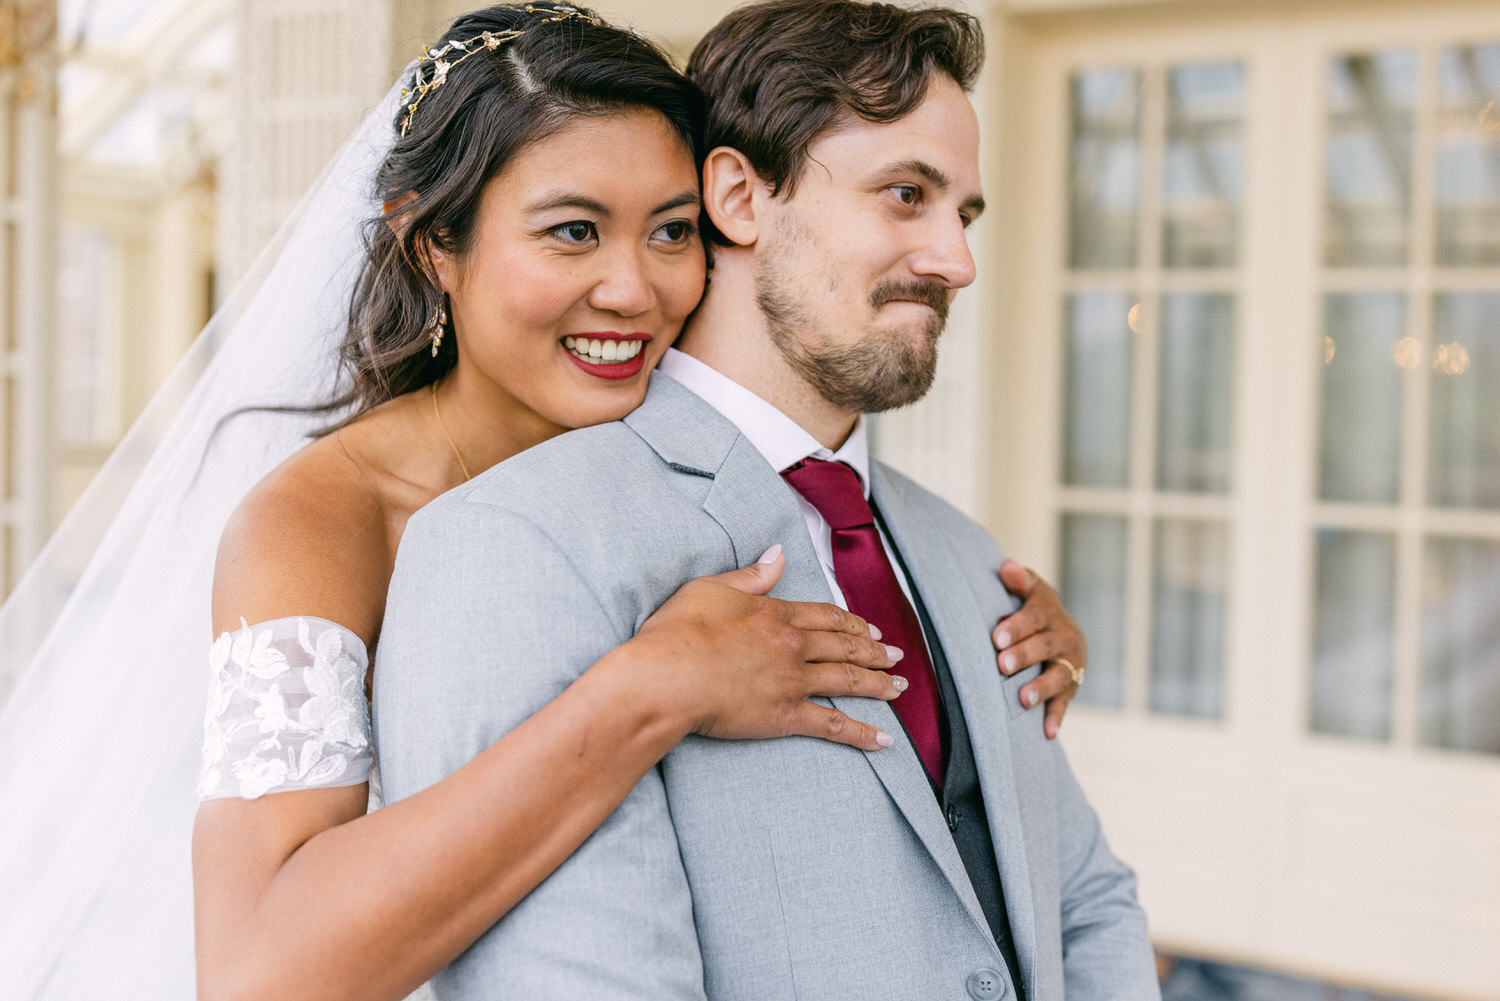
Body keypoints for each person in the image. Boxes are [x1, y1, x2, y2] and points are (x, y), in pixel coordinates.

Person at [0, 5, 1085, 1000]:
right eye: (573, 230)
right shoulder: (327, 514)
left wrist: (968, 635)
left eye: (669, 231)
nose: (634, 288)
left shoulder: (668, 456)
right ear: (435, 244)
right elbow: (258, 969)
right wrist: (645, 692)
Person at [375, 2, 1156, 1000]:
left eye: (962, 214)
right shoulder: (517, 543)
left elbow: (1084, 900)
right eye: (905, 194)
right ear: (741, 199)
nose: (956, 261)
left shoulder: (972, 560)